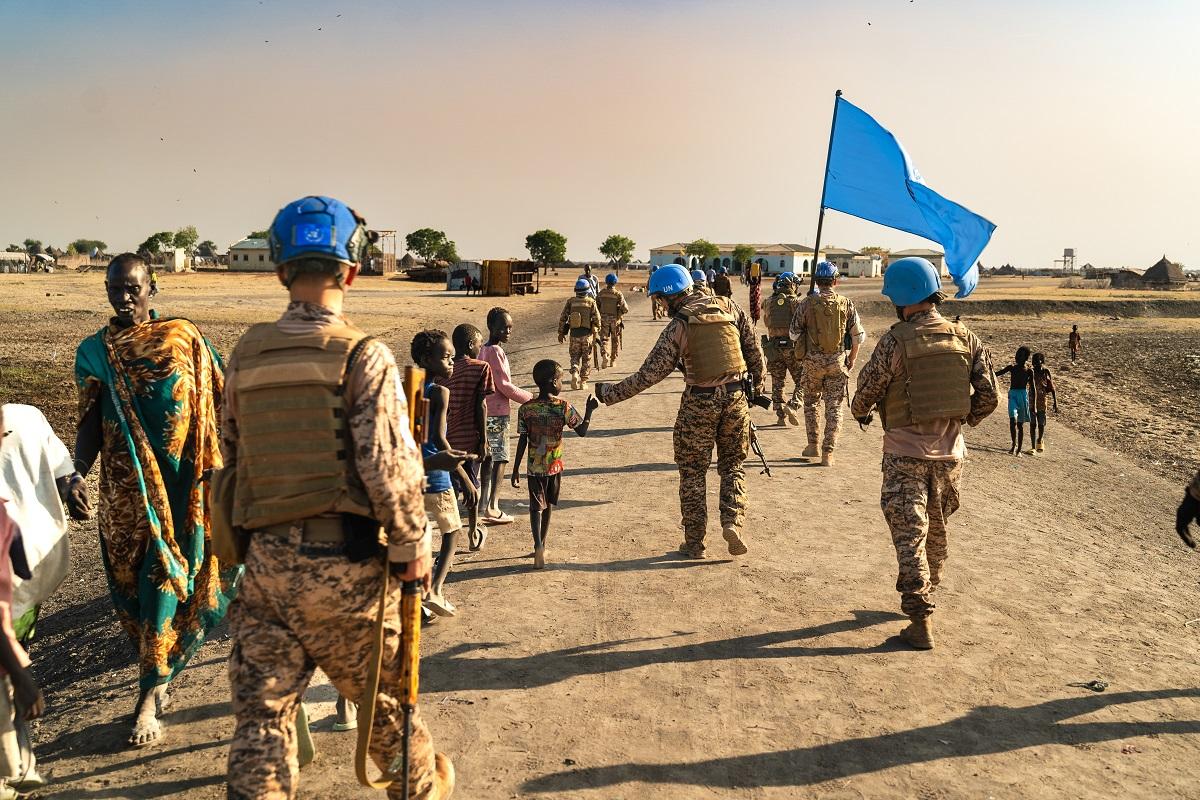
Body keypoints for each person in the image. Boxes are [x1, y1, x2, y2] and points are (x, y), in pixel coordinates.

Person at [222, 196, 454, 799]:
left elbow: (233, 453)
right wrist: (412, 545)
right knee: (389, 717)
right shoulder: (362, 355)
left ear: (280, 270)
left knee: (262, 728)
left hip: (265, 569)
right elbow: (387, 466)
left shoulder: (247, 353)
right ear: (350, 271)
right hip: (346, 573)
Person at [74, 252, 239, 747]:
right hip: (126, 492)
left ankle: (149, 693)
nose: (123, 297)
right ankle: (159, 671)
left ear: (152, 289)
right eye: (115, 288)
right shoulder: (95, 352)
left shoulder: (183, 338)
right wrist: (76, 473)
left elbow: (221, 400)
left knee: (164, 577)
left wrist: (233, 468)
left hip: (185, 488)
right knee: (133, 586)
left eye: (132, 287)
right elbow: (90, 423)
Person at [850, 257, 998, 650]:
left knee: (909, 535)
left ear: (902, 298)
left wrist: (862, 412)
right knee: (937, 527)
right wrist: (959, 420)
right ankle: (930, 585)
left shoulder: (895, 341)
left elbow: (865, 393)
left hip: (905, 455)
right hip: (951, 457)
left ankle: (920, 620)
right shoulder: (966, 338)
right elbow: (989, 397)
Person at [595, 265, 765, 558]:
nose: (660, 305)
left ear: (668, 296)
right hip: (737, 399)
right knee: (733, 466)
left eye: (659, 299)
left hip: (699, 403)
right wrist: (756, 387)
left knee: (692, 473)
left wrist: (609, 394)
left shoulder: (678, 326)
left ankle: (695, 543)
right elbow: (754, 352)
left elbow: (648, 375)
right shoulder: (729, 307)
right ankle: (732, 522)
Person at [0, 403, 77, 794]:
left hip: (24, 580)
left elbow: (62, 466)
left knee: (13, 664)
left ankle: (19, 761)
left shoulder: (25, 418)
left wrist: (72, 484)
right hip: (16, 583)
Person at [510, 361, 598, 568]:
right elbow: (582, 431)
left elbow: (522, 440)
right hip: (554, 466)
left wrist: (515, 469)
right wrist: (589, 411)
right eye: (560, 380)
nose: (561, 384)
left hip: (534, 467)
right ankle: (543, 542)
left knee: (535, 507)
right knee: (548, 504)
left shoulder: (526, 409)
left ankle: (537, 545)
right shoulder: (563, 406)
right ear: (552, 382)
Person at [412, 330, 475, 617]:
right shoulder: (440, 392)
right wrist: (463, 476)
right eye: (447, 357)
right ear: (428, 359)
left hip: (411, 472)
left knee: (418, 535)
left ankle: (416, 594)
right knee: (452, 530)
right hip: (437, 474)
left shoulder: (407, 388)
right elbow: (439, 439)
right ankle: (435, 590)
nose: (451, 362)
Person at [790, 261, 866, 466]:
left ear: (817, 281)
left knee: (811, 402)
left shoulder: (806, 303)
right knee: (834, 407)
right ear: (835, 281)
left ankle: (813, 445)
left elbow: (793, 333)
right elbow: (858, 336)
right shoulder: (846, 303)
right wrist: (852, 358)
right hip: (837, 362)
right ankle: (828, 453)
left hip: (812, 363)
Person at [436, 324, 494, 550]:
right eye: (479, 344)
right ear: (471, 345)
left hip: (447, 438)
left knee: (451, 489)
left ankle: (450, 534)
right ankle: (473, 530)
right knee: (472, 486)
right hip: (470, 438)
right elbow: (481, 405)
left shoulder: (445, 372)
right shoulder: (481, 368)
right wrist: (484, 439)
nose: (480, 348)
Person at [479, 307, 533, 525]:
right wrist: (530, 398)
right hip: (497, 413)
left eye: (510, 327)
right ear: (491, 327)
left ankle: (483, 502)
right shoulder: (495, 351)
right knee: (500, 458)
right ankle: (493, 506)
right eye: (503, 327)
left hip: (484, 411)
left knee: (487, 459)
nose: (508, 331)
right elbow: (504, 385)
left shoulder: (482, 349)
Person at [761, 275, 803, 426]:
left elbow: (766, 319)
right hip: (792, 348)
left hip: (774, 348)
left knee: (778, 382)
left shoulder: (768, 302)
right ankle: (793, 405)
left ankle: (780, 417)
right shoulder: (796, 303)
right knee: (803, 380)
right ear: (792, 285)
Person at [558, 279, 601, 391]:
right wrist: (597, 329)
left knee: (574, 357)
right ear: (588, 290)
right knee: (586, 360)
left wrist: (561, 333)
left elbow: (563, 317)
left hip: (574, 335)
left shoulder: (571, 302)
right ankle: (583, 382)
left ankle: (574, 373)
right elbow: (597, 319)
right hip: (587, 336)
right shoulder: (591, 302)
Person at [996, 347, 1037, 456]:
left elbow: (1033, 388)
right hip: (1013, 395)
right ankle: (1014, 445)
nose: (1017, 357)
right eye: (1017, 355)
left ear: (1026, 358)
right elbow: (997, 373)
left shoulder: (1029, 371)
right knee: (1012, 420)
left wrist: (1034, 406)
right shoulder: (1012, 368)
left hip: (1023, 396)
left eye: (1020, 355)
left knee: (1020, 425)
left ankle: (1019, 449)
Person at [596, 273, 629, 369]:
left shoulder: (601, 293)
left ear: (606, 282)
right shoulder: (618, 294)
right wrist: (620, 313)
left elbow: (596, 306)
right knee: (615, 340)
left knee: (604, 339)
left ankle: (605, 354)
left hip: (603, 320)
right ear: (615, 282)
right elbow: (625, 309)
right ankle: (613, 360)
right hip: (615, 320)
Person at [1029, 352, 1058, 454]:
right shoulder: (1031, 371)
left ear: (1042, 361)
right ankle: (1033, 447)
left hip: (1042, 401)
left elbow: (1052, 387)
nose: (1035, 364)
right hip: (1032, 401)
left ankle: (1040, 440)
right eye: (1034, 362)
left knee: (1041, 424)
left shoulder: (1046, 372)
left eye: (1037, 362)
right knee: (1033, 424)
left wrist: (1055, 402)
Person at [1175, 470, 1200, 549]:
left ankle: (1192, 544)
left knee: (1181, 526)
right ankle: (1192, 544)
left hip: (1193, 497)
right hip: (1192, 496)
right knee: (1181, 526)